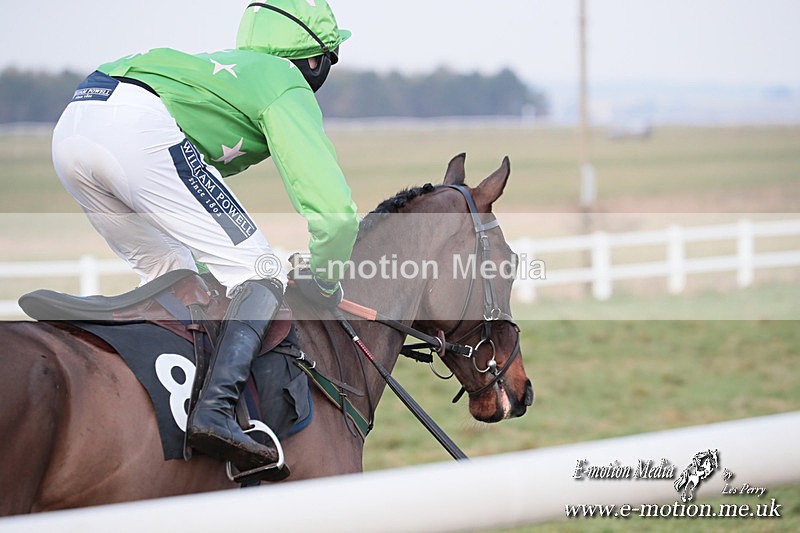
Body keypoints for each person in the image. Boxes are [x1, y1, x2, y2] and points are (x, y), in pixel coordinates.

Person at [51, 0, 359, 473]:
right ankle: (214, 412)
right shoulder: (285, 82)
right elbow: (335, 216)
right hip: (136, 127)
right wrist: (325, 278)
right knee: (260, 272)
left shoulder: (227, 70)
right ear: (316, 60)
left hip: (73, 125)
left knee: (176, 276)